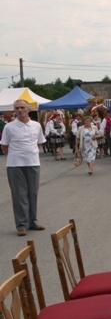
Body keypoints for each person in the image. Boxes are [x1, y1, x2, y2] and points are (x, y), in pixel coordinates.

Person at [0, 99, 46, 236]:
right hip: (15, 165)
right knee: (20, 195)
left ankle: (33, 221)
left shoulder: (36, 125)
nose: (19, 110)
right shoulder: (9, 127)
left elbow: (39, 143)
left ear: (28, 109)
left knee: (33, 193)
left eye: (22, 107)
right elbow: (4, 146)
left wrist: (29, 153)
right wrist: (15, 155)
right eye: (17, 108)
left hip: (33, 163)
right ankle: (21, 224)